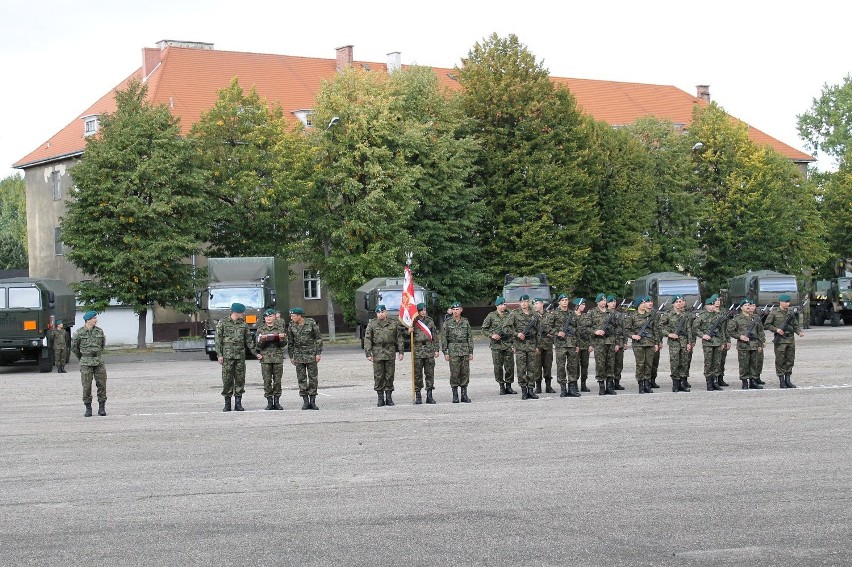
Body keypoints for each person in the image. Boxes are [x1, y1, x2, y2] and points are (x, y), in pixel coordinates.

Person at [215, 302, 262, 412]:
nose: (243, 314)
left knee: (240, 380)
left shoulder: (243, 324)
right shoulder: (223, 323)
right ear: (237, 312)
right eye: (242, 312)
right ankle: (227, 404)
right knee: (227, 379)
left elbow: (248, 341)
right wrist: (219, 354)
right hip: (227, 356)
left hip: (240, 356)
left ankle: (238, 403)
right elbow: (218, 340)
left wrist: (256, 353)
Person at [364, 304, 404, 407]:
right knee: (378, 375)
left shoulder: (393, 323)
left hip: (390, 351)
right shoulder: (372, 324)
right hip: (377, 352)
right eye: (378, 312)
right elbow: (367, 339)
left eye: (382, 312)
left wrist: (401, 351)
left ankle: (389, 397)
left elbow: (399, 338)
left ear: (386, 312)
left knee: (390, 375)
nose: (380, 314)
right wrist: (368, 353)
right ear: (376, 314)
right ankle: (380, 397)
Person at [502, 294, 540, 399]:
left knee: (532, 369)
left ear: (529, 302)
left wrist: (538, 346)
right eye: (522, 302)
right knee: (521, 369)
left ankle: (531, 390)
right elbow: (505, 328)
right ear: (520, 303)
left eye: (526, 301)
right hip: (520, 346)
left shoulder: (534, 315)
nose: (524, 303)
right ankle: (524, 390)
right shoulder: (515, 314)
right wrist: (516, 334)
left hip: (532, 345)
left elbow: (539, 331)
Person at [71, 311, 107, 417]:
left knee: (102, 385)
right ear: (88, 320)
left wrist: (97, 355)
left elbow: (102, 345)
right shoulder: (79, 333)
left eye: (95, 318)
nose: (96, 320)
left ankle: (101, 408)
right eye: (94, 318)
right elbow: (74, 347)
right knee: (86, 386)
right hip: (86, 363)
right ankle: (88, 408)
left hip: (98, 362)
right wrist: (82, 357)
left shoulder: (99, 331)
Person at [582, 293, 620, 395]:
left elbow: (617, 328)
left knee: (610, 364)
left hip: (610, 341)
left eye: (604, 301)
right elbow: (585, 327)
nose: (603, 302)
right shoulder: (592, 313)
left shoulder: (611, 313)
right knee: (600, 364)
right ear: (597, 302)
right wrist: (595, 331)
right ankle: (601, 385)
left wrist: (617, 343)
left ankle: (609, 385)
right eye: (601, 301)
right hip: (599, 342)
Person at [764, 293, 804, 388]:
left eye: (788, 302)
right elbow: (767, 325)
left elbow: (795, 325)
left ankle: (788, 380)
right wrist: (776, 330)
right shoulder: (774, 313)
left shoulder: (791, 313)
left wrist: (799, 332)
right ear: (781, 302)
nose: (788, 303)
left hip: (790, 340)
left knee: (790, 360)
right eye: (786, 302)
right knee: (780, 360)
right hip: (780, 341)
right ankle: (781, 380)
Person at [287, 307, 324, 409]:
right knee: (301, 378)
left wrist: (318, 353)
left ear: (300, 316)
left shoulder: (311, 323)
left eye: (293, 316)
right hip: (298, 354)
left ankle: (312, 400)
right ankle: (305, 401)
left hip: (311, 353)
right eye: (291, 316)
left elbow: (318, 338)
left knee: (313, 378)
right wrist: (291, 356)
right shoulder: (291, 325)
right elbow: (290, 342)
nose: (291, 318)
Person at [481, 296, 516, 395]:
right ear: (497, 305)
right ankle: (501, 385)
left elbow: (514, 329)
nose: (503, 306)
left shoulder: (510, 314)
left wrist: (514, 344)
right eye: (501, 304)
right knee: (498, 367)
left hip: (508, 344)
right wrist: (492, 335)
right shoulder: (491, 316)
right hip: (496, 346)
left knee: (510, 367)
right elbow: (484, 329)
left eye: (504, 304)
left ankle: (508, 386)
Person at [726, 298, 765, 390]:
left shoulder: (755, 318)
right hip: (743, 346)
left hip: (754, 344)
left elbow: (760, 332)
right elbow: (730, 330)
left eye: (748, 305)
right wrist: (740, 336)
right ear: (741, 307)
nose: (748, 307)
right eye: (745, 305)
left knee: (754, 364)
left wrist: (760, 344)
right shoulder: (737, 319)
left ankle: (753, 381)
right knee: (744, 364)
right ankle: (744, 382)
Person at [441, 301, 474, 403]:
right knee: (454, 373)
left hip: (464, 349)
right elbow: (444, 338)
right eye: (454, 310)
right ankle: (455, 395)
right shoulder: (447, 322)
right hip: (453, 350)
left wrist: (471, 351)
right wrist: (445, 352)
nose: (455, 311)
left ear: (461, 310)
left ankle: (464, 395)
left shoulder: (465, 321)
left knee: (465, 372)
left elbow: (470, 337)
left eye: (457, 309)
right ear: (452, 311)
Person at [625, 296, 659, 393]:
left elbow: (655, 330)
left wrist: (656, 343)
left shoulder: (650, 315)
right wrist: (633, 336)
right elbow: (626, 330)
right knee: (640, 364)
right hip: (638, 344)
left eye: (645, 303)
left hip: (649, 343)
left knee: (649, 364)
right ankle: (641, 384)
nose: (645, 304)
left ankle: (647, 384)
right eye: (642, 303)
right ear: (638, 305)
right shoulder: (633, 316)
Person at [660, 295, 694, 392]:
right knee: (675, 363)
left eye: (680, 301)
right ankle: (675, 384)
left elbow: (689, 329)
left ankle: (682, 384)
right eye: (677, 302)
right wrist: (669, 334)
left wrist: (689, 342)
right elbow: (660, 327)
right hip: (674, 343)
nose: (679, 303)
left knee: (684, 363)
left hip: (684, 342)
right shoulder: (668, 314)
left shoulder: (686, 314)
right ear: (673, 304)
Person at [550, 294, 582, 397]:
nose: (564, 302)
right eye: (562, 300)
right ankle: (563, 388)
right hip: (560, 344)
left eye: (566, 300)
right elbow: (546, 327)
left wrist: (577, 344)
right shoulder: (554, 314)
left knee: (572, 366)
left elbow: (577, 330)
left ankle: (572, 388)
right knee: (561, 366)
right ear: (559, 302)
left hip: (572, 344)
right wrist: (557, 332)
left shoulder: (572, 314)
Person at [256, 308, 287, 410]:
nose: (268, 318)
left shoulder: (280, 328)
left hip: (277, 357)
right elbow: (258, 345)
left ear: (274, 317)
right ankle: (269, 402)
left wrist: (281, 338)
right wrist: (263, 340)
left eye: (270, 316)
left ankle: (277, 402)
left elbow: (283, 344)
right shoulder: (260, 329)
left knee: (277, 381)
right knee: (267, 381)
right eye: (266, 317)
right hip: (266, 359)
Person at [695, 294, 726, 391]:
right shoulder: (702, 316)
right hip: (708, 343)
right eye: (711, 305)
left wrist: (722, 342)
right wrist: (703, 335)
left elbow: (722, 330)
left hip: (717, 342)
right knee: (708, 362)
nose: (713, 306)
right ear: (706, 305)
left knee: (717, 362)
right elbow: (695, 328)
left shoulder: (718, 316)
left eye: (714, 305)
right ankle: (709, 382)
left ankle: (715, 381)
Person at [411, 302, 439, 404]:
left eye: (424, 310)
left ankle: (429, 395)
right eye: (421, 310)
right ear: (417, 311)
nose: (423, 312)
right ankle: (418, 395)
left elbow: (435, 336)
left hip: (428, 350)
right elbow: (404, 337)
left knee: (430, 373)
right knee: (417, 374)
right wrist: (408, 331)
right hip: (417, 351)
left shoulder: (430, 321)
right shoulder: (412, 322)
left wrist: (436, 349)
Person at [534, 298, 556, 393]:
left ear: (542, 304)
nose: (535, 305)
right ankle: (538, 387)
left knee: (548, 367)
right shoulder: (532, 316)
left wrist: (551, 334)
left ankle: (548, 386)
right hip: (537, 346)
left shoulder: (550, 316)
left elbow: (555, 328)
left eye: (537, 303)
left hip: (547, 345)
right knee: (537, 367)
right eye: (534, 304)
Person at [607, 295, 627, 390]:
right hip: (610, 342)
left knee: (619, 364)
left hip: (620, 342)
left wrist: (625, 341)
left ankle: (617, 382)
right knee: (610, 363)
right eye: (611, 301)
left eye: (614, 301)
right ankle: (609, 382)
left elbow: (624, 329)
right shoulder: (605, 314)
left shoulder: (619, 314)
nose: (613, 303)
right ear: (607, 303)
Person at [574, 298, 592, 392]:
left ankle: (583, 384)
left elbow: (589, 331)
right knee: (575, 366)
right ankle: (575, 384)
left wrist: (590, 344)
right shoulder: (571, 316)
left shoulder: (586, 317)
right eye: (582, 305)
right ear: (577, 305)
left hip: (585, 345)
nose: (584, 306)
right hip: (574, 345)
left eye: (584, 305)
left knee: (585, 365)